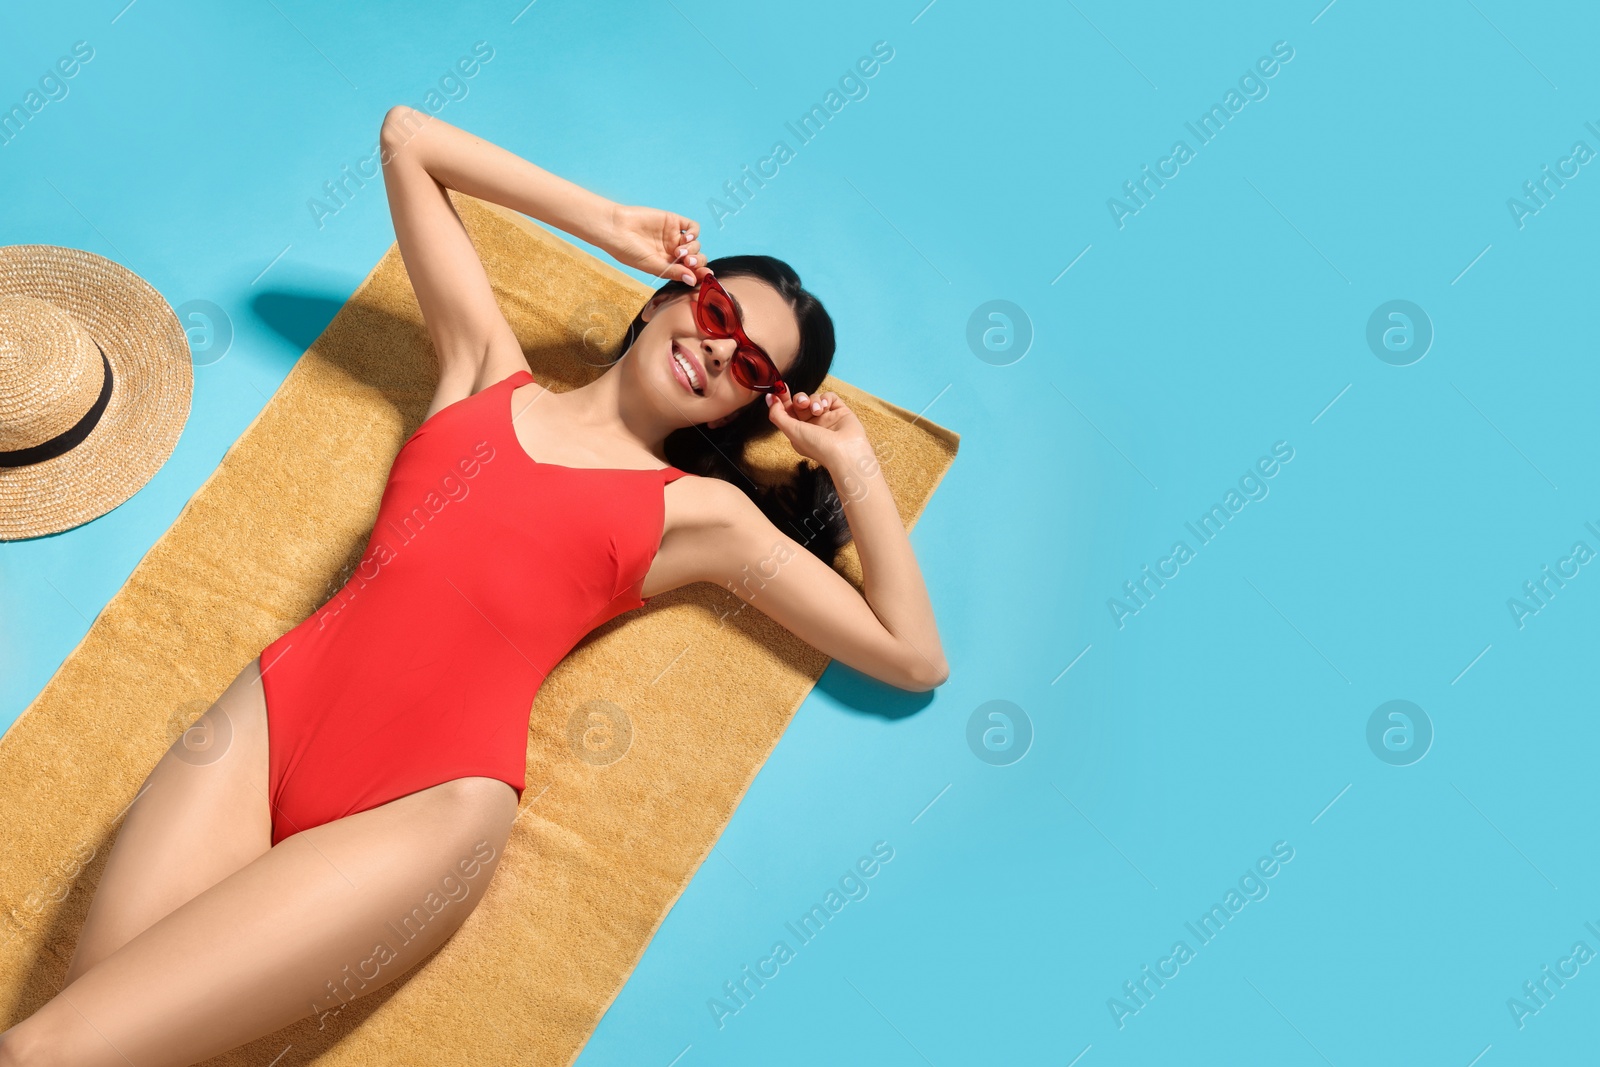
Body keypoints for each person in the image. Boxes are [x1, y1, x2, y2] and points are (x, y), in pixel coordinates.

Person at [0, 105, 948, 1065]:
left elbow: (914, 656)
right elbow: (408, 140)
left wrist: (853, 460)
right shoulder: (486, 371)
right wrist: (611, 223)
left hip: (426, 804)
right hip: (269, 717)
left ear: (752, 402)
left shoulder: (700, 516)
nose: (715, 350)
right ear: (667, 297)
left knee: (45, 1053)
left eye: (749, 364)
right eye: (716, 315)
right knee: (78, 1037)